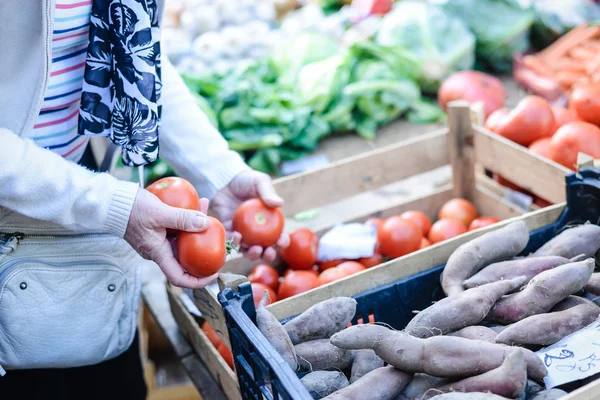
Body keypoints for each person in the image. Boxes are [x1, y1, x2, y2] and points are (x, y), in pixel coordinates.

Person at [0, 1, 287, 399]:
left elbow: (134, 50)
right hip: (30, 202)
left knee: (110, 382)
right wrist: (112, 205)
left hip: (80, 198)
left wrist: (217, 172)